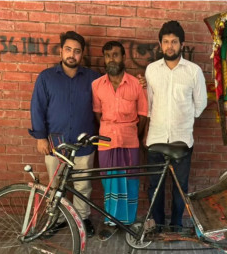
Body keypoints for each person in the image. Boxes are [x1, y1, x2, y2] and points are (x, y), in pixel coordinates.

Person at [29, 31, 99, 238]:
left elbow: (112, 92)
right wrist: (41, 137)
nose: (72, 55)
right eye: (68, 49)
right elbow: (37, 108)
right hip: (55, 144)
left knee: (83, 184)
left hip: (84, 142)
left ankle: (82, 219)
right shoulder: (46, 78)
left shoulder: (93, 78)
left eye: (77, 51)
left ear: (82, 54)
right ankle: (57, 219)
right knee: (56, 184)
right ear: (61, 51)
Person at [144, 21, 207, 232]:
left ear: (182, 44)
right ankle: (159, 225)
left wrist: (186, 119)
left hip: (182, 139)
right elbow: (148, 104)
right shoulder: (151, 70)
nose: (169, 46)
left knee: (180, 187)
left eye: (174, 42)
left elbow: (201, 103)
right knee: (155, 186)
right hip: (156, 138)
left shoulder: (193, 71)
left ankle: (176, 225)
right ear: (159, 44)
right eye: (166, 42)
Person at [92, 41, 148, 240]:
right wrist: (109, 128)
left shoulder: (135, 84)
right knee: (109, 181)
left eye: (116, 55)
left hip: (129, 140)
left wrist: (133, 133)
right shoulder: (97, 85)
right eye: (108, 55)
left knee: (130, 180)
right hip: (106, 142)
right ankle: (110, 222)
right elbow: (98, 114)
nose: (111, 59)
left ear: (123, 57)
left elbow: (143, 116)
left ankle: (128, 222)